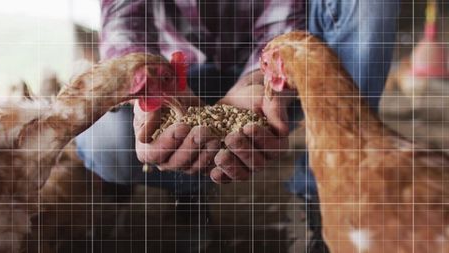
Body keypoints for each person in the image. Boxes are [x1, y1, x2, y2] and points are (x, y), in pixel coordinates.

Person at [76, 0, 399, 250]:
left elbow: (281, 17)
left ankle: (324, 191)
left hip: (271, 78)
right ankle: (192, 188)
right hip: (176, 77)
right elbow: (123, 20)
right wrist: (145, 81)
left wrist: (262, 78)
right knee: (107, 145)